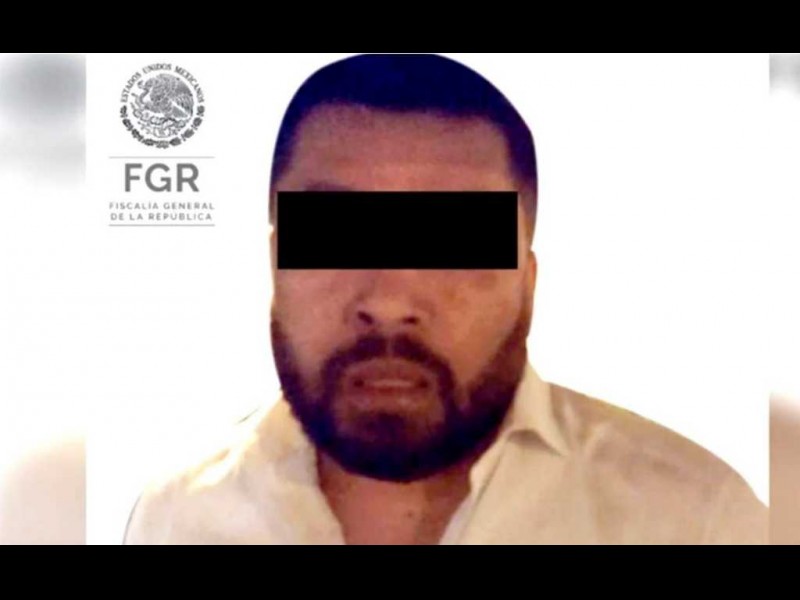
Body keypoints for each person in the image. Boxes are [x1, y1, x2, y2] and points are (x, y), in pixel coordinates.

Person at [124, 53, 767, 544]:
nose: (389, 299)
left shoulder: (697, 520)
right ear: (275, 264)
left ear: (527, 283)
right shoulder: (177, 517)